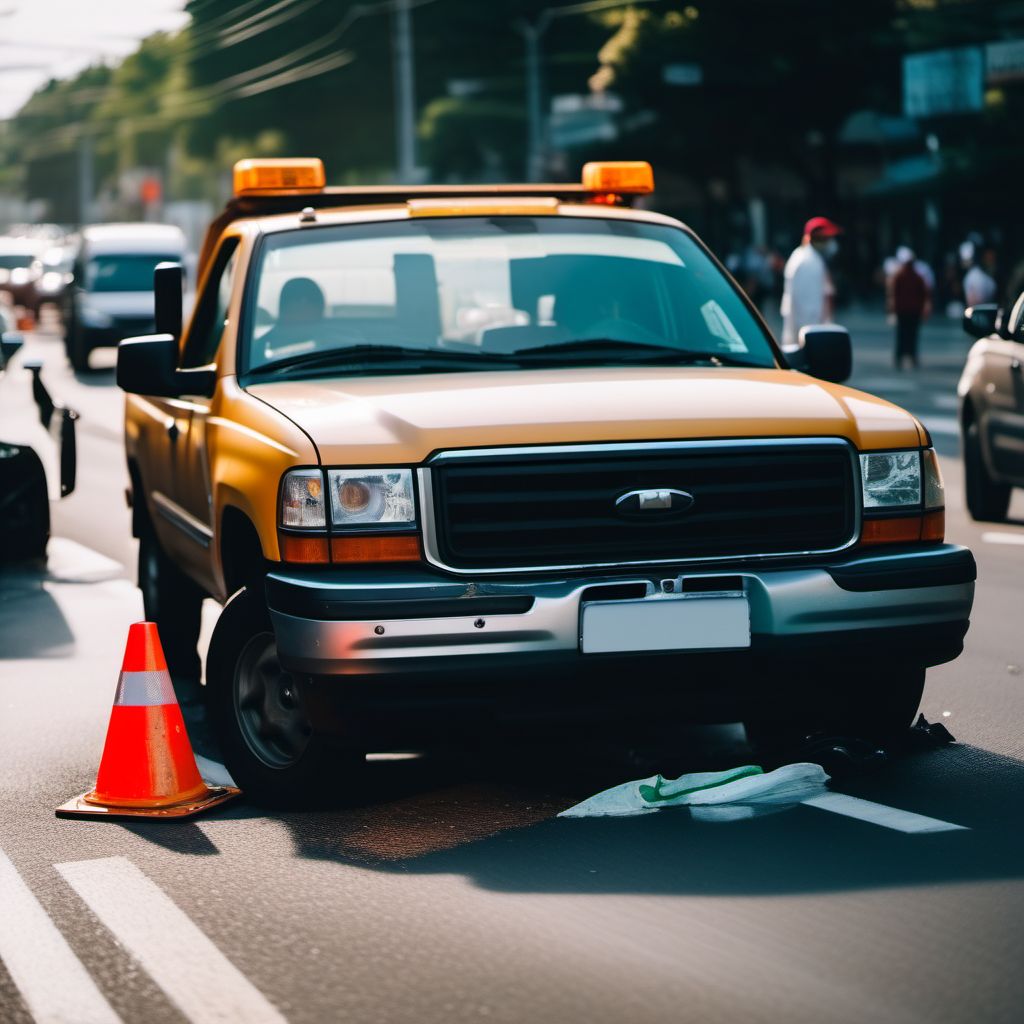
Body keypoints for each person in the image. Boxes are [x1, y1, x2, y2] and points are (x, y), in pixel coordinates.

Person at [780, 216, 841, 347]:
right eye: (827, 238)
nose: (831, 242)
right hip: (809, 335)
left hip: (809, 333)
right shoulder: (808, 262)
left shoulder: (808, 258)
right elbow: (807, 308)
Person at [888, 247, 931, 369]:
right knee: (907, 335)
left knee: (907, 335)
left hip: (909, 310)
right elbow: (893, 294)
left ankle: (906, 357)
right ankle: (904, 357)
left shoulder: (907, 277)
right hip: (908, 310)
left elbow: (924, 294)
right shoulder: (907, 277)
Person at [961, 241, 997, 307]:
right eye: (988, 258)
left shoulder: (990, 279)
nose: (990, 261)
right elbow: (974, 305)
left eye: (992, 258)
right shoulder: (973, 276)